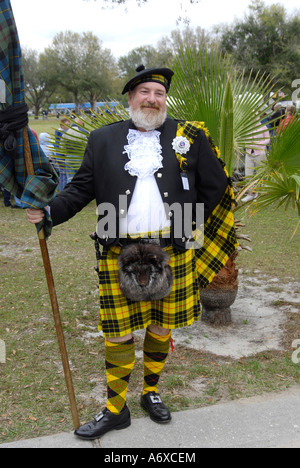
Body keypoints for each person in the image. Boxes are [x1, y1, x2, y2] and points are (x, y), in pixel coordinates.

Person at [26, 66, 238, 440]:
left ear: (164, 99)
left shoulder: (189, 135)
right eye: (144, 91)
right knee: (117, 331)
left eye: (158, 92)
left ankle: (151, 392)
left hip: (172, 250)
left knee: (161, 325)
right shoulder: (102, 139)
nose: (152, 99)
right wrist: (49, 213)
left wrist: (189, 219)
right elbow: (80, 190)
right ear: (131, 97)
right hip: (116, 247)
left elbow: (216, 183)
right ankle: (115, 408)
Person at [242, 115, 270, 203]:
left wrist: (259, 144)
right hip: (249, 153)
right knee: (248, 174)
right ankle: (250, 193)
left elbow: (268, 139)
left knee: (259, 174)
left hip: (260, 153)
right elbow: (244, 139)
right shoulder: (247, 129)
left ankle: (256, 193)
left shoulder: (263, 127)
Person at [53, 117, 70, 191]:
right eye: (66, 125)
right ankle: (64, 190)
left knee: (63, 175)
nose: (68, 126)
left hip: (61, 155)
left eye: (69, 124)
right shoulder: (61, 132)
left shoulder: (62, 131)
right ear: (62, 125)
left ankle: (62, 190)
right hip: (62, 156)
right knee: (64, 175)